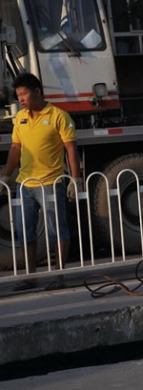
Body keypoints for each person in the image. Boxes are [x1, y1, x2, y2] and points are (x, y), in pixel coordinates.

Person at [0, 72, 81, 291]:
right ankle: (29, 276)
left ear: (37, 92)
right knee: (24, 231)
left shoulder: (58, 116)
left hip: (51, 183)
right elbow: (16, 148)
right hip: (25, 185)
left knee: (57, 230)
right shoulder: (21, 118)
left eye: (24, 93)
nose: (21, 99)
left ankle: (59, 274)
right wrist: (6, 175)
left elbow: (70, 150)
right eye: (18, 95)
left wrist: (75, 180)